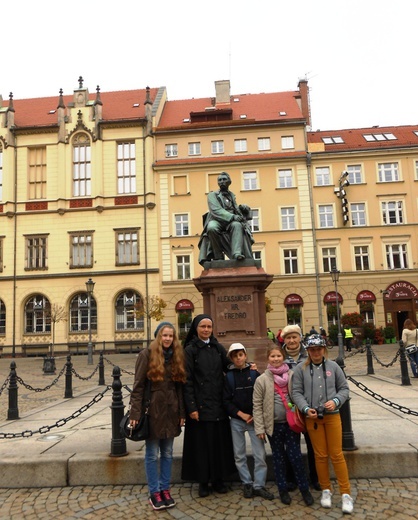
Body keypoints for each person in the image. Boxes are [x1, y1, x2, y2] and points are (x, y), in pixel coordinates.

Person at [291, 334, 354, 514]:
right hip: (313, 418)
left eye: (319, 349)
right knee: (320, 455)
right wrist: (304, 408)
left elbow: (344, 388)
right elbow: (296, 392)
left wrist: (335, 401)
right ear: (308, 351)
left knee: (336, 454)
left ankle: (345, 493)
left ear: (324, 350)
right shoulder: (300, 369)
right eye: (312, 350)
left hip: (332, 415)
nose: (316, 353)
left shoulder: (333, 367)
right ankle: (326, 489)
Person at [129, 322, 186, 510]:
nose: (168, 339)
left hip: (171, 411)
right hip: (152, 411)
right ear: (158, 337)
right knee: (152, 454)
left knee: (168, 453)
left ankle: (165, 489)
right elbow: (138, 386)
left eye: (171, 335)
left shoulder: (177, 356)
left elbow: (179, 388)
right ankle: (154, 492)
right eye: (164, 335)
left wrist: (182, 413)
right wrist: (135, 412)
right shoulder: (146, 355)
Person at [181, 314, 236, 497]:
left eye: (209, 327)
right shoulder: (190, 350)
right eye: (202, 326)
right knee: (202, 446)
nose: (206, 330)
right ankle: (203, 481)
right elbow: (187, 380)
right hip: (200, 406)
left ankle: (219, 479)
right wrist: (192, 407)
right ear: (196, 328)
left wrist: (246, 366)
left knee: (218, 444)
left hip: (218, 404)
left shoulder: (217, 347)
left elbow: (229, 366)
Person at [253, 343, 314, 507]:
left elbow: (300, 395)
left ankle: (304, 489)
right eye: (272, 356)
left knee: (295, 458)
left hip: (291, 425)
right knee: (278, 459)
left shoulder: (292, 375)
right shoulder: (262, 380)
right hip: (273, 426)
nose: (276, 359)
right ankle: (282, 489)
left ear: (283, 357)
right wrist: (260, 428)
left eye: (278, 356)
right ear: (268, 359)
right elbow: (257, 405)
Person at [223, 342, 274, 500]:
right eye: (235, 356)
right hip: (237, 420)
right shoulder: (229, 377)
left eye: (240, 355)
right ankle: (246, 482)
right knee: (239, 454)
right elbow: (225, 401)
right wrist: (240, 414)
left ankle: (259, 485)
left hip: (255, 420)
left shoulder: (254, 374)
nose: (238, 358)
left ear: (245, 355)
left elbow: (261, 395)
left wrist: (256, 416)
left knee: (260, 454)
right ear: (231, 358)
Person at [280, 325, 320, 491]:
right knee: (291, 445)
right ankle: (292, 478)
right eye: (288, 338)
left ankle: (316, 477)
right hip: (289, 408)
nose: (291, 340)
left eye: (294, 337)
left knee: (313, 445)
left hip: (310, 406)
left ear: (300, 338)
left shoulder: (309, 355)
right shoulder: (280, 357)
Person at [198, 172, 254, 265]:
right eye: (219, 180)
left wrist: (242, 208)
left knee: (237, 225)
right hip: (217, 220)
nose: (222, 182)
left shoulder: (232, 196)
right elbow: (216, 210)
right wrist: (232, 217)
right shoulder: (212, 195)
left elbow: (234, 209)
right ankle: (217, 255)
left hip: (231, 222)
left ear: (229, 182)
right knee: (211, 228)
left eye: (224, 179)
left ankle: (237, 253)